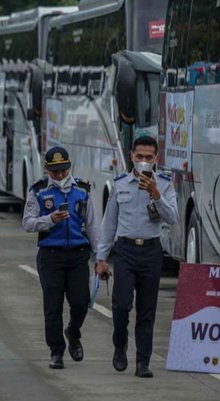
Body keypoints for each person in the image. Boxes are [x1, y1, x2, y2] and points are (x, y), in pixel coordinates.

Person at [96, 135, 178, 378]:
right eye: (139, 157)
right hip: (125, 251)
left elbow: (172, 218)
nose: (144, 161)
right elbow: (109, 224)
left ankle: (143, 361)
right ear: (132, 156)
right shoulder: (120, 183)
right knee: (121, 305)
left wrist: (156, 194)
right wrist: (101, 257)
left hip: (151, 252)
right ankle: (120, 344)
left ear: (156, 159)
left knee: (147, 309)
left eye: (149, 158)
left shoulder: (164, 184)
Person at [22, 146, 99, 369]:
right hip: (51, 255)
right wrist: (49, 220)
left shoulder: (82, 190)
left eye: (63, 171)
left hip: (78, 255)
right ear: (47, 170)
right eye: (54, 171)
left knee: (80, 302)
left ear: (69, 167)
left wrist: (100, 257)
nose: (59, 176)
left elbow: (92, 225)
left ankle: (73, 333)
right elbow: (27, 222)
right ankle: (56, 351)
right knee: (52, 306)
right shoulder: (38, 191)